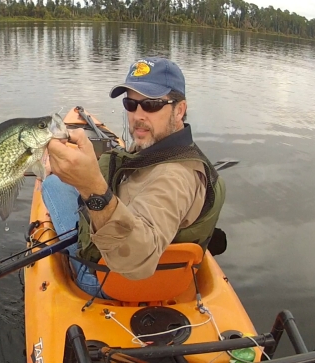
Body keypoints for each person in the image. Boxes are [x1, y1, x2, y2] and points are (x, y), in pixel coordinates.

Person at [41, 57, 226, 299]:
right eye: (131, 103)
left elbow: (136, 258)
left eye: (151, 104)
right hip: (161, 280)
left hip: (111, 282)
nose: (138, 115)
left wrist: (91, 188)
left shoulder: (175, 177)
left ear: (179, 110)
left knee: (54, 185)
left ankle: (79, 268)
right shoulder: (164, 148)